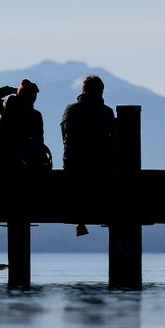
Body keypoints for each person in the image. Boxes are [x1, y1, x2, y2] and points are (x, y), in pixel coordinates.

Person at [59, 74, 115, 235]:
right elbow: (112, 141)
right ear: (101, 92)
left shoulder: (71, 110)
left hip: (73, 164)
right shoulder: (107, 112)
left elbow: (66, 138)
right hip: (100, 166)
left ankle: (80, 220)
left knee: (77, 184)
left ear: (83, 91)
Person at [0, 79, 49, 171]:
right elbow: (39, 141)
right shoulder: (35, 116)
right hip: (6, 160)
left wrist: (12, 90)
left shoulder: (5, 107)